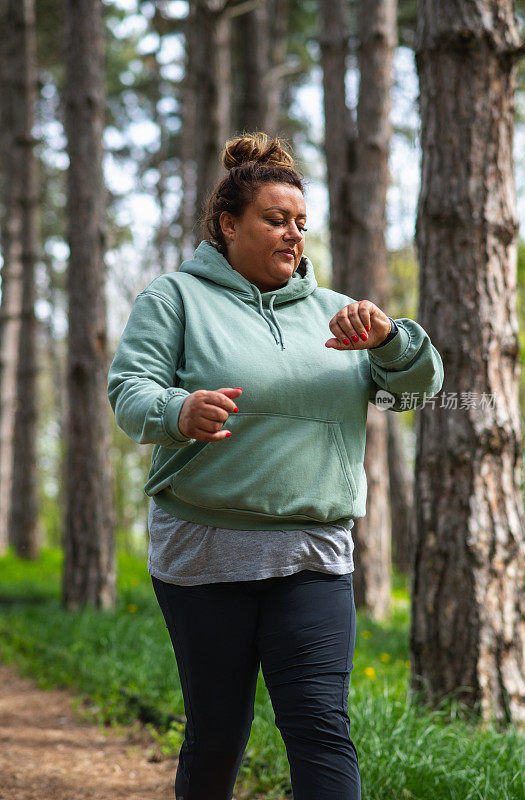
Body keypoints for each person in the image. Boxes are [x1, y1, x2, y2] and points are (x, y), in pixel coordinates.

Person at [107, 131, 444, 800]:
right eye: (274, 219)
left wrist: (389, 341)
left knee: (320, 728)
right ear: (228, 225)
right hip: (205, 553)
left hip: (312, 553)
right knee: (216, 734)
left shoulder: (339, 314)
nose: (293, 235)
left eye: (299, 223)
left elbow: (413, 392)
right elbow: (130, 389)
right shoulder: (174, 299)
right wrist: (179, 410)